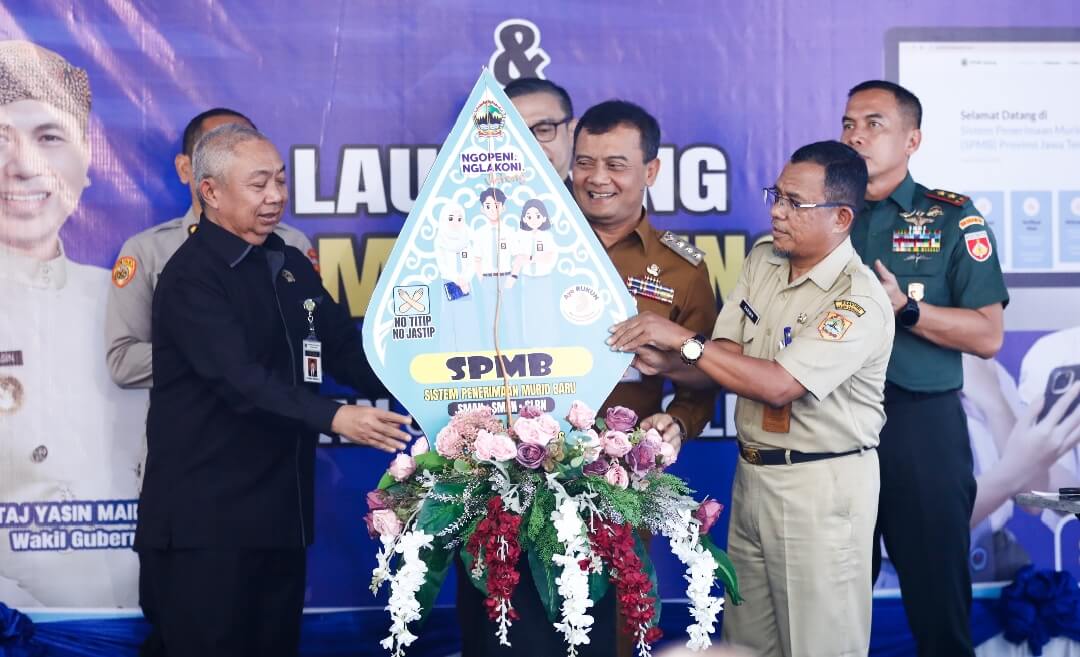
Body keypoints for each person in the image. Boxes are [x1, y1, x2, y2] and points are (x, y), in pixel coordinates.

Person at [135, 124, 409, 657]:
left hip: (281, 514)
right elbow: (239, 381)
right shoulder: (191, 276)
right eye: (259, 185)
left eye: (280, 181)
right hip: (206, 523)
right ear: (209, 192)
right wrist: (336, 417)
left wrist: (430, 381)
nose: (276, 196)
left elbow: (345, 352)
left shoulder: (286, 262)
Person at [608, 140, 892, 657]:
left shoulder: (858, 299)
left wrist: (681, 342)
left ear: (842, 217)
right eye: (775, 195)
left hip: (821, 487)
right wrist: (664, 362)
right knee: (747, 642)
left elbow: (778, 384)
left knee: (818, 646)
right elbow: (726, 355)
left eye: (794, 203)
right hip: (754, 476)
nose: (776, 211)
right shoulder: (766, 258)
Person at [840, 80, 1009, 657]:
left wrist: (906, 308)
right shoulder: (824, 215)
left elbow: (987, 334)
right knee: (831, 605)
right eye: (848, 124)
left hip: (920, 425)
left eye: (873, 123)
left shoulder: (951, 218)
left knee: (939, 605)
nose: (856, 134)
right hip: (833, 427)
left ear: (912, 140)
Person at [0, 39, 146, 608]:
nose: (23, 165)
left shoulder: (123, 299)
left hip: (148, 611)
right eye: (0, 139)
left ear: (87, 159)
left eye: (49, 137)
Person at [106, 107, 312, 389]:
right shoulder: (147, 252)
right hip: (192, 426)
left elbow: (311, 342)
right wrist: (216, 353)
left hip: (278, 422)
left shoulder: (292, 245)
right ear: (185, 169)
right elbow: (123, 361)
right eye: (220, 151)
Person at [572, 99, 716, 450]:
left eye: (615, 165)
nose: (597, 177)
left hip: (628, 474)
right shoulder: (527, 249)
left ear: (651, 171)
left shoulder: (682, 268)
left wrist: (678, 421)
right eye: (584, 162)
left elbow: (710, 373)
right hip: (524, 466)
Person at [504, 77, 575, 185]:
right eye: (517, 134)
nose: (531, 145)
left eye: (543, 130)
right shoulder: (485, 200)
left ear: (572, 132)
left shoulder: (593, 201)